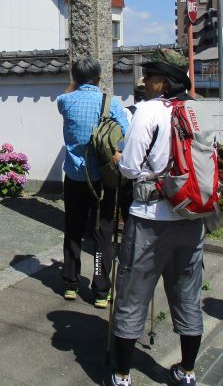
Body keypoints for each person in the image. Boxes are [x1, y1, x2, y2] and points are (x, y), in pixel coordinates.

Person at [105, 57, 203, 386]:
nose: (145, 82)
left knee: (133, 294)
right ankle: (187, 371)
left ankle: (121, 374)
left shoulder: (148, 110)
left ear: (162, 82)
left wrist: (118, 158)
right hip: (191, 215)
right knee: (187, 294)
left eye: (149, 77)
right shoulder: (194, 110)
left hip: (150, 217)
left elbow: (132, 168)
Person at [57, 57, 129, 309]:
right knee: (102, 233)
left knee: (73, 228)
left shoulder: (66, 101)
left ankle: (70, 283)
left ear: (75, 79)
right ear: (98, 79)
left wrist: (74, 82)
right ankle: (100, 290)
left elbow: (64, 95)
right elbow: (126, 133)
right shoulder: (110, 104)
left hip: (75, 177)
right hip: (102, 179)